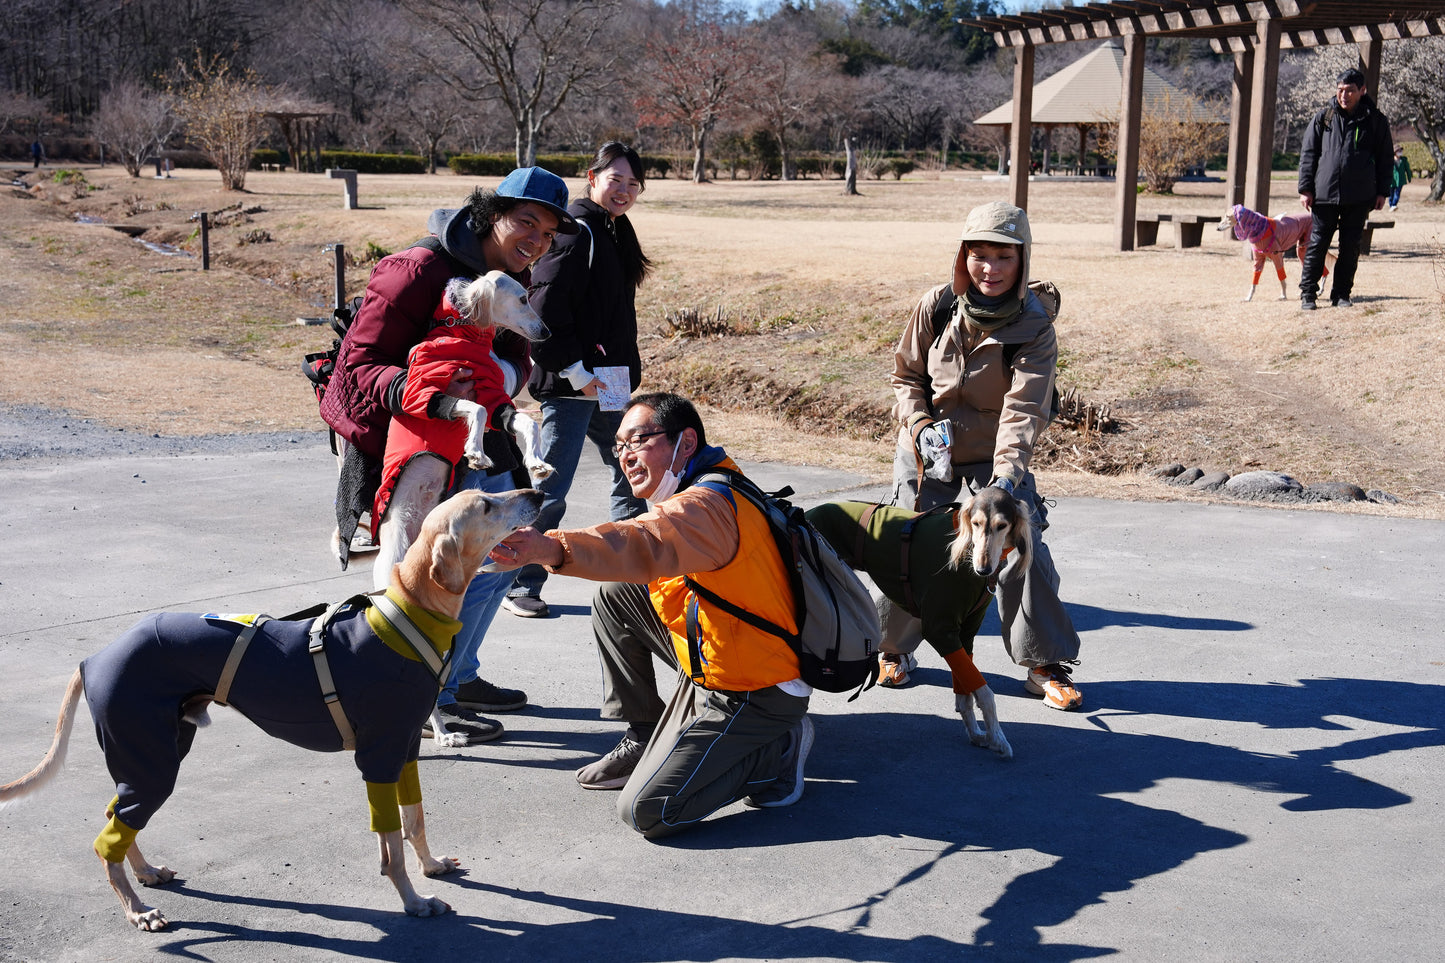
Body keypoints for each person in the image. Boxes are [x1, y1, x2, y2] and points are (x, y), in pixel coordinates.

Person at [320, 167, 579, 742]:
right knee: (413, 576)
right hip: (409, 441)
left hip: (480, 438)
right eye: (526, 222)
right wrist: (434, 398)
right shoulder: (416, 269)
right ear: (492, 216)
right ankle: (412, 693)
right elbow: (357, 367)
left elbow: (519, 357)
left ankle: (453, 673)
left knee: (500, 559)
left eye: (549, 232)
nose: (536, 240)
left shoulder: (514, 273)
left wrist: (496, 378)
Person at [488, 392, 814, 836]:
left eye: (638, 440)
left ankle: (778, 752)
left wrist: (550, 547)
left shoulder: (706, 505)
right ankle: (645, 733)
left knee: (648, 810)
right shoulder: (702, 484)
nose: (625, 456)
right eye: (619, 446)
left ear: (686, 442)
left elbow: (640, 542)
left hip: (752, 687)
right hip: (719, 657)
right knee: (617, 594)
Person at [883, 200, 1083, 711]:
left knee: (1023, 548)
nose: (990, 269)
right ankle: (891, 648)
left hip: (994, 462)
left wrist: (1006, 480)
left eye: (1003, 257)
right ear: (962, 256)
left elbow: (1024, 409)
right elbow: (906, 377)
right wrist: (919, 424)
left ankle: (1043, 661)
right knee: (906, 547)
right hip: (929, 456)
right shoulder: (937, 305)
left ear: (1023, 262)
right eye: (979, 255)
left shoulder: (1035, 327)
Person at [503, 143, 651, 619]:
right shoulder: (577, 228)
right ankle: (519, 581)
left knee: (632, 468)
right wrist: (576, 373)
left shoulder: (614, 228)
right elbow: (543, 307)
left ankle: (629, 572)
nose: (624, 190)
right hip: (574, 381)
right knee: (550, 486)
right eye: (616, 180)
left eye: (633, 184)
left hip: (609, 377)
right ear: (593, 177)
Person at [1297, 67, 1393, 311]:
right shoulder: (1324, 117)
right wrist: (1305, 189)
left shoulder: (1376, 120)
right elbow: (1309, 154)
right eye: (1340, 90)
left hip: (1359, 195)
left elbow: (1385, 158)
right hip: (1324, 193)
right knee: (1318, 243)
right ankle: (1308, 293)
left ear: (1362, 91)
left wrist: (1383, 191)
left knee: (1350, 246)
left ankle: (1341, 294)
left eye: (1350, 90)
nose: (1344, 95)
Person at [1388, 145, 1412, 211]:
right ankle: (1391, 205)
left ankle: (1394, 205)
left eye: (1401, 151)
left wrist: (1409, 178)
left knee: (1397, 193)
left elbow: (1407, 169)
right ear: (1395, 152)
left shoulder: (1404, 160)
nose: (1400, 152)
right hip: (1392, 180)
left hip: (1400, 180)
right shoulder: (1390, 159)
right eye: (1399, 151)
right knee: (1391, 193)